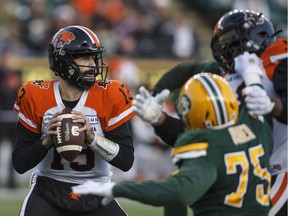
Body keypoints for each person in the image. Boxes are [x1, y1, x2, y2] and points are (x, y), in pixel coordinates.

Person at [135, 9, 288, 216]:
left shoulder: (280, 58)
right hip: (249, 174)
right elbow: (201, 139)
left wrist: (273, 105)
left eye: (227, 43)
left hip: (281, 170)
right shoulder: (226, 81)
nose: (224, 51)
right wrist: (160, 120)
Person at [72, 72, 273, 216]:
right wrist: (254, 80)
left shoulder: (206, 149)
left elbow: (179, 192)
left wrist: (117, 190)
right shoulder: (257, 129)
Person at [12, 25, 135, 216]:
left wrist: (92, 138)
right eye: (85, 57)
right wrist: (46, 142)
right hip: (49, 191)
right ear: (63, 61)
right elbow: (19, 163)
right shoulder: (34, 95)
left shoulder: (110, 95)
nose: (93, 64)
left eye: (94, 57)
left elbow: (126, 161)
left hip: (97, 191)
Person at [0, 46, 22, 188]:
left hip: (13, 117)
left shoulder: (17, 74)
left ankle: (11, 180)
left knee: (14, 150)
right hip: (1, 117)